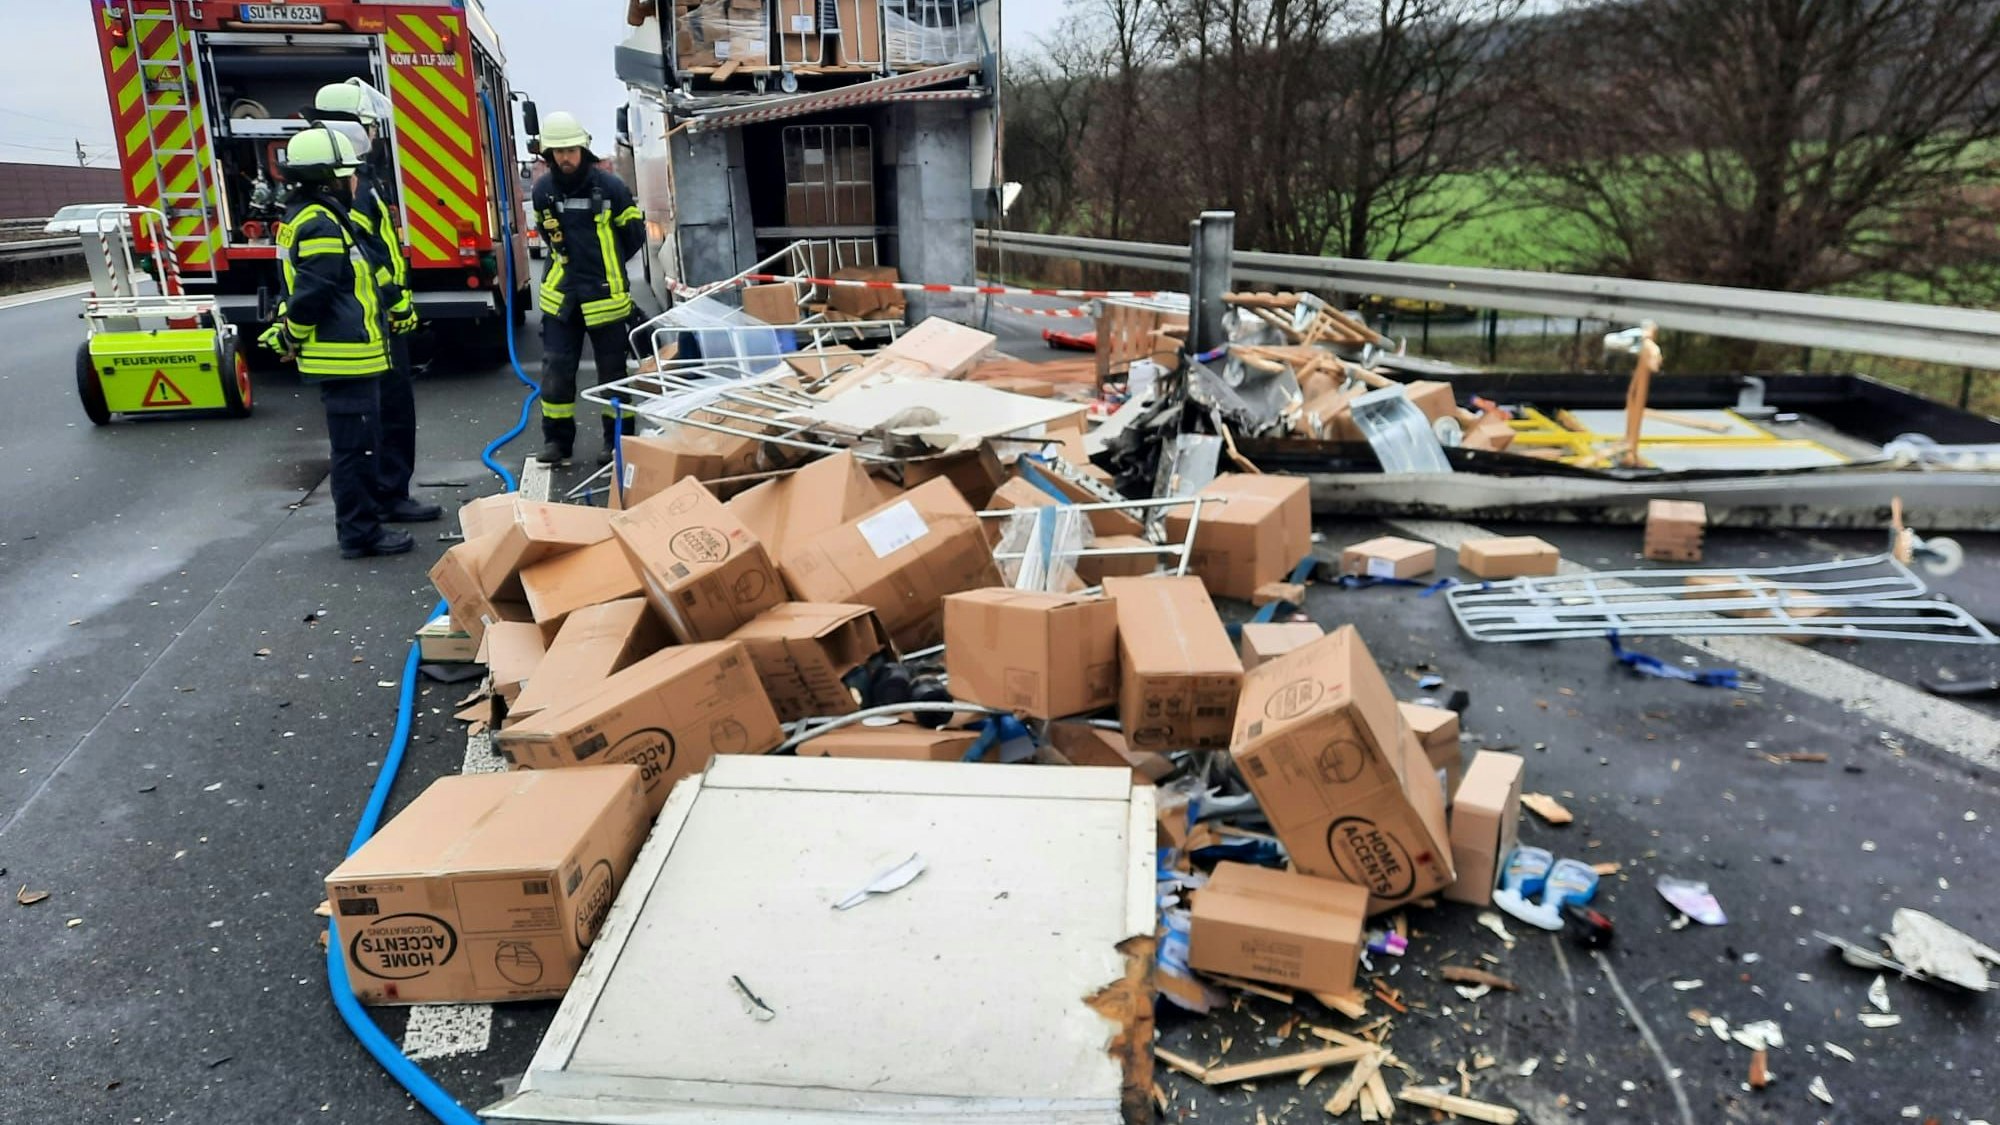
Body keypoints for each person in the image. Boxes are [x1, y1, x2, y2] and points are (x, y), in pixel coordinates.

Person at [258, 127, 413, 559]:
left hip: (350, 356)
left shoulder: (314, 215)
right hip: (344, 358)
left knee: (360, 446)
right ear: (327, 180)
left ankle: (364, 525)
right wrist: (290, 335)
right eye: (347, 175)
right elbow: (315, 291)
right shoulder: (320, 223)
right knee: (355, 451)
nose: (354, 181)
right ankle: (360, 533)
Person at [309, 79, 440, 524]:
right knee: (390, 412)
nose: (374, 135)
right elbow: (368, 258)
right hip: (375, 318)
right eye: (368, 127)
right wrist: (397, 302)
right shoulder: (354, 188)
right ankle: (388, 496)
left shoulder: (353, 182)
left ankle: (383, 496)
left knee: (379, 415)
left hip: (369, 316)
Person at [529, 111, 646, 465]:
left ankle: (617, 442)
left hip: (605, 297)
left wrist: (606, 266)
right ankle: (557, 443)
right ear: (549, 155)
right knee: (556, 371)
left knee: (613, 376)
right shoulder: (543, 191)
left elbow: (633, 235)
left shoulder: (611, 188)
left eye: (571, 150)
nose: (565, 158)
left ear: (583, 150)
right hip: (562, 299)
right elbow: (548, 235)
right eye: (559, 152)